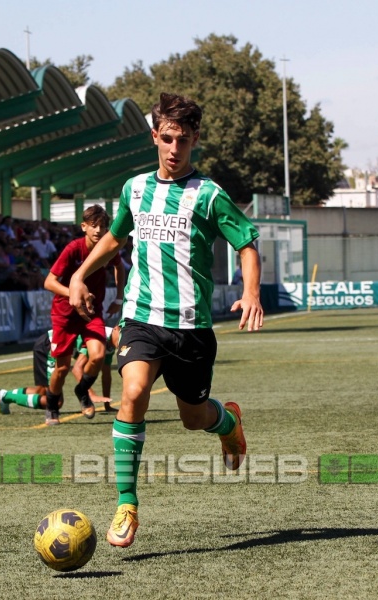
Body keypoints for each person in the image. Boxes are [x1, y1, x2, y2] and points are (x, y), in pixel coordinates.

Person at [69, 92, 264, 548]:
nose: (175, 149)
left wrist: (251, 291)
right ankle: (127, 504)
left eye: (184, 140)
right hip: (141, 318)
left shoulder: (209, 195)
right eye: (168, 138)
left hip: (191, 327)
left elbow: (248, 243)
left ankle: (227, 423)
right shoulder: (134, 189)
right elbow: (115, 238)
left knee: (193, 418)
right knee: (133, 392)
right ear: (154, 136)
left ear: (195, 139)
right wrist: (79, 274)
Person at [44, 205, 125, 426]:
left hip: (91, 312)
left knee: (98, 356)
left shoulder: (109, 248)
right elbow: (49, 282)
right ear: (84, 227)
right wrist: (75, 292)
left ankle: (82, 390)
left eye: (103, 226)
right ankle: (52, 407)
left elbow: (120, 267)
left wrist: (119, 298)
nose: (99, 230)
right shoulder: (73, 249)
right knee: (61, 368)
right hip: (65, 314)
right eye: (94, 225)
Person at [0, 326, 121, 419]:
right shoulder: (99, 337)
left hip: (51, 346)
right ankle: (0, 396)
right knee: (56, 402)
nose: (124, 342)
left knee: (42, 391)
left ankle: (0, 395)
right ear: (116, 329)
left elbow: (106, 374)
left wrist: (107, 404)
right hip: (49, 346)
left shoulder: (110, 344)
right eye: (123, 336)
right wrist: (91, 395)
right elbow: (77, 368)